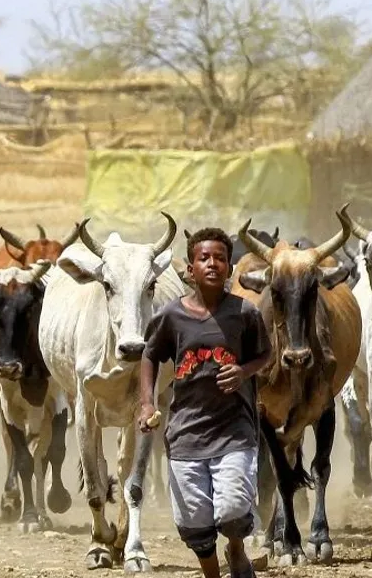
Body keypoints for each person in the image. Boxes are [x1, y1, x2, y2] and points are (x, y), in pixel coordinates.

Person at [138, 228, 271, 578]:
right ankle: (212, 573)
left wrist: (243, 372)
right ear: (190, 270)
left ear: (230, 268)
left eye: (220, 258)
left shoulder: (245, 313)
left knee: (232, 510)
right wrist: (147, 404)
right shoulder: (172, 316)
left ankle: (237, 549)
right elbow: (150, 354)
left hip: (235, 431)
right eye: (203, 258)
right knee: (195, 523)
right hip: (186, 435)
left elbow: (265, 355)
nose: (212, 264)